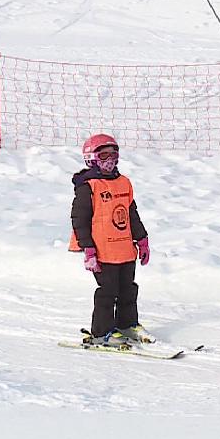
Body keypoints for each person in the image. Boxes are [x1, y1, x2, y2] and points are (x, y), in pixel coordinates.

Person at [69, 133, 153, 346]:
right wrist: (88, 249)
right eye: (104, 155)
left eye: (114, 155)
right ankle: (101, 332)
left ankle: (127, 324)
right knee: (107, 292)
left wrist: (142, 239)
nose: (111, 160)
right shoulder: (88, 186)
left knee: (128, 288)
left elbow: (131, 212)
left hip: (125, 249)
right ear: (91, 159)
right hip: (102, 250)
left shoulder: (123, 182)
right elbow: (80, 220)